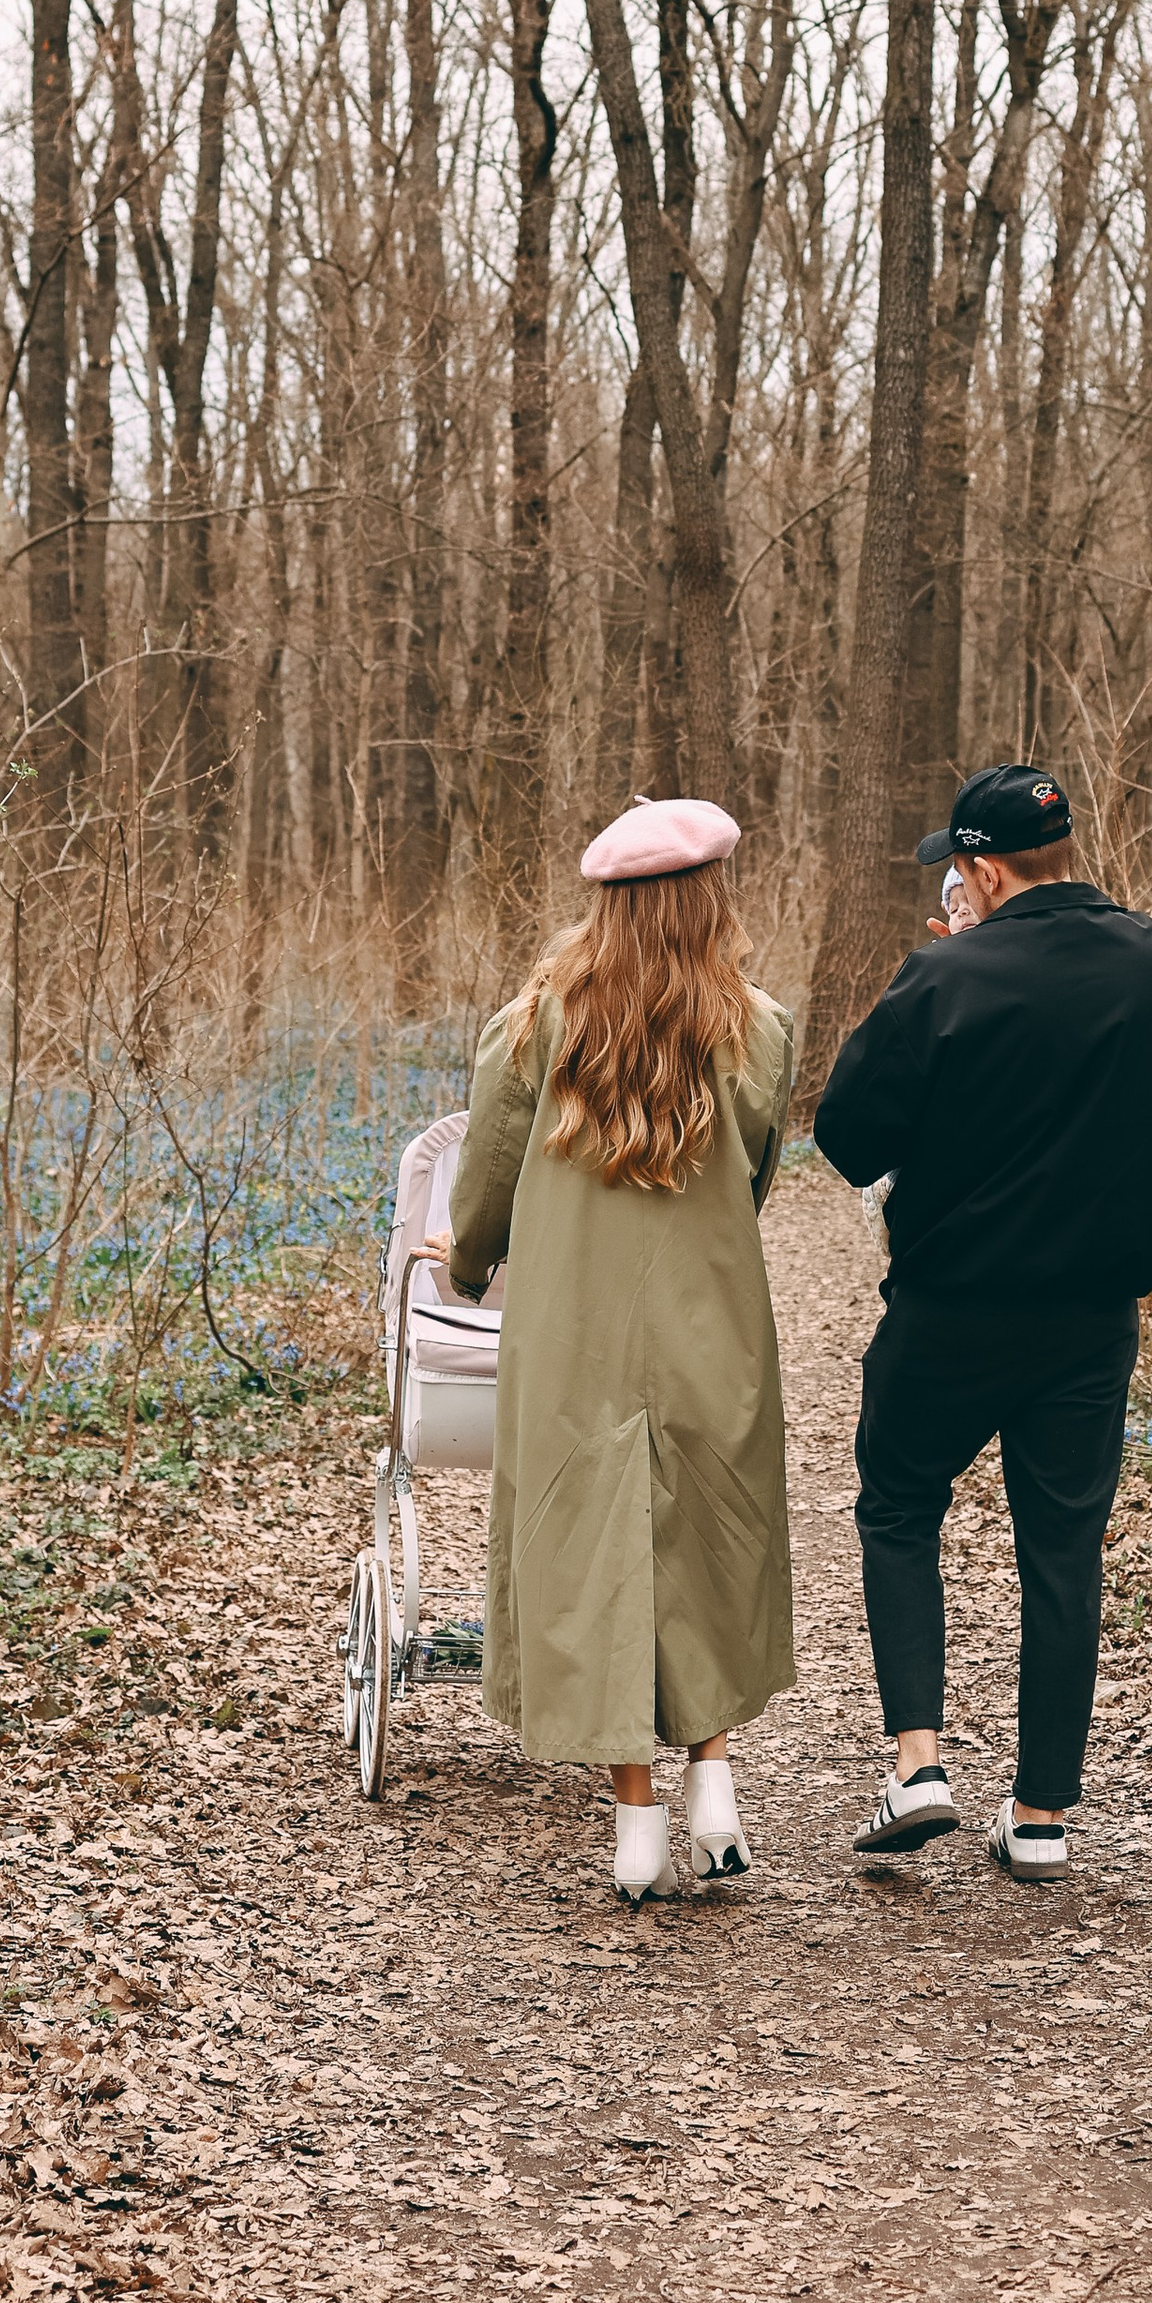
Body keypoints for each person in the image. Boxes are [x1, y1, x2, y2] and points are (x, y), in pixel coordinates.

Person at [813, 764, 1152, 1886]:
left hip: (950, 1306)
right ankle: (1038, 1816)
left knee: (896, 1506)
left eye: (958, 869)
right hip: (1092, 1318)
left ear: (980, 869)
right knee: (1061, 1554)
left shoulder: (946, 976)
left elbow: (846, 1139)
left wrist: (931, 971)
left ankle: (919, 1763)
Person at [442, 798, 796, 1903]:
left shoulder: (535, 1024)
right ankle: (715, 1780)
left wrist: (463, 1266)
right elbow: (752, 1178)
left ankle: (634, 1821)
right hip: (710, 1325)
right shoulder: (758, 1029)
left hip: (574, 1337)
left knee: (594, 1551)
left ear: (603, 902)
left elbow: (487, 1186)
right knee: (706, 1538)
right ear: (711, 898)